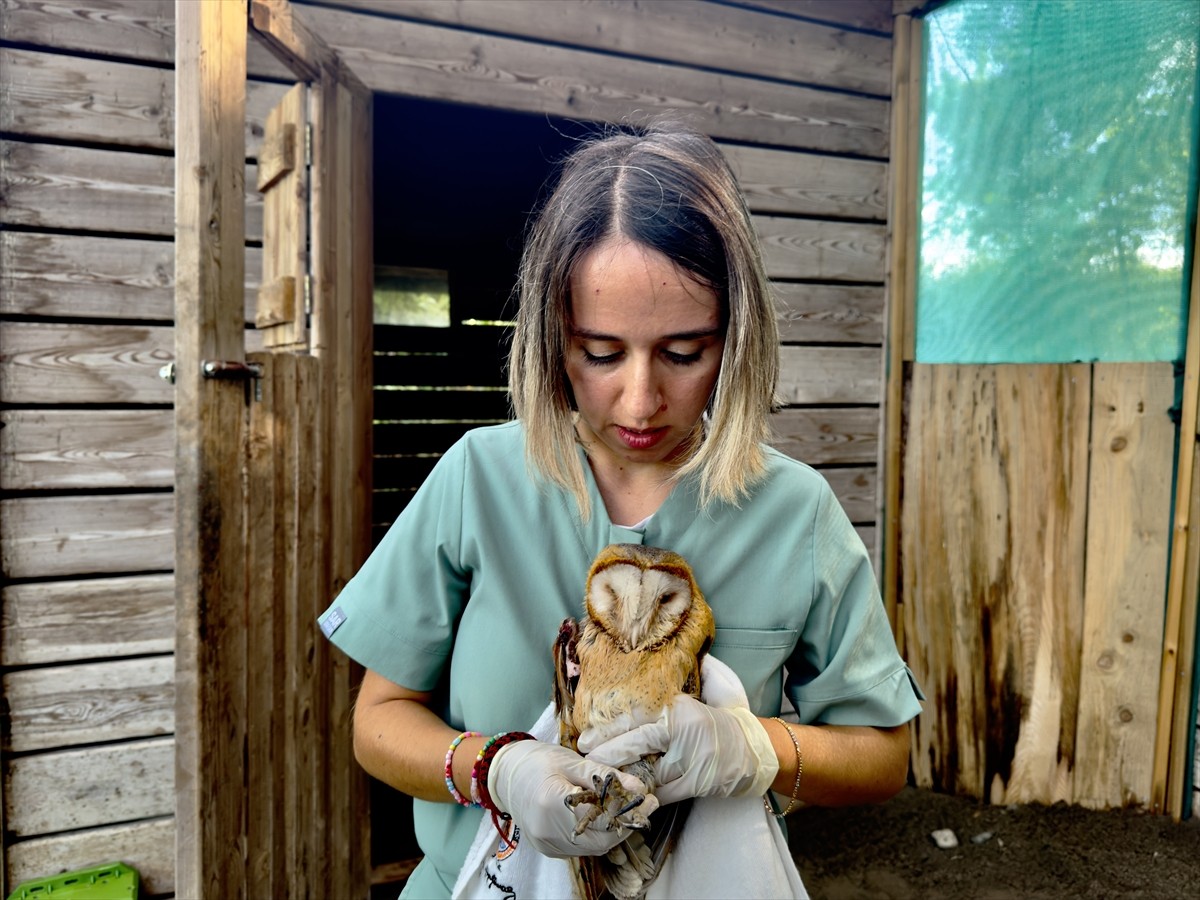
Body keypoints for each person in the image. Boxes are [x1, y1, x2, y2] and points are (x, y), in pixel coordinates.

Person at [318, 119, 923, 899]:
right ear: (549, 337)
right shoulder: (479, 476)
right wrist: (497, 770)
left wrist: (750, 750)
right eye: (600, 352)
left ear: (737, 338)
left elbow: (882, 754)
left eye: (683, 352)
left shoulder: (794, 509)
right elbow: (377, 722)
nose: (640, 400)